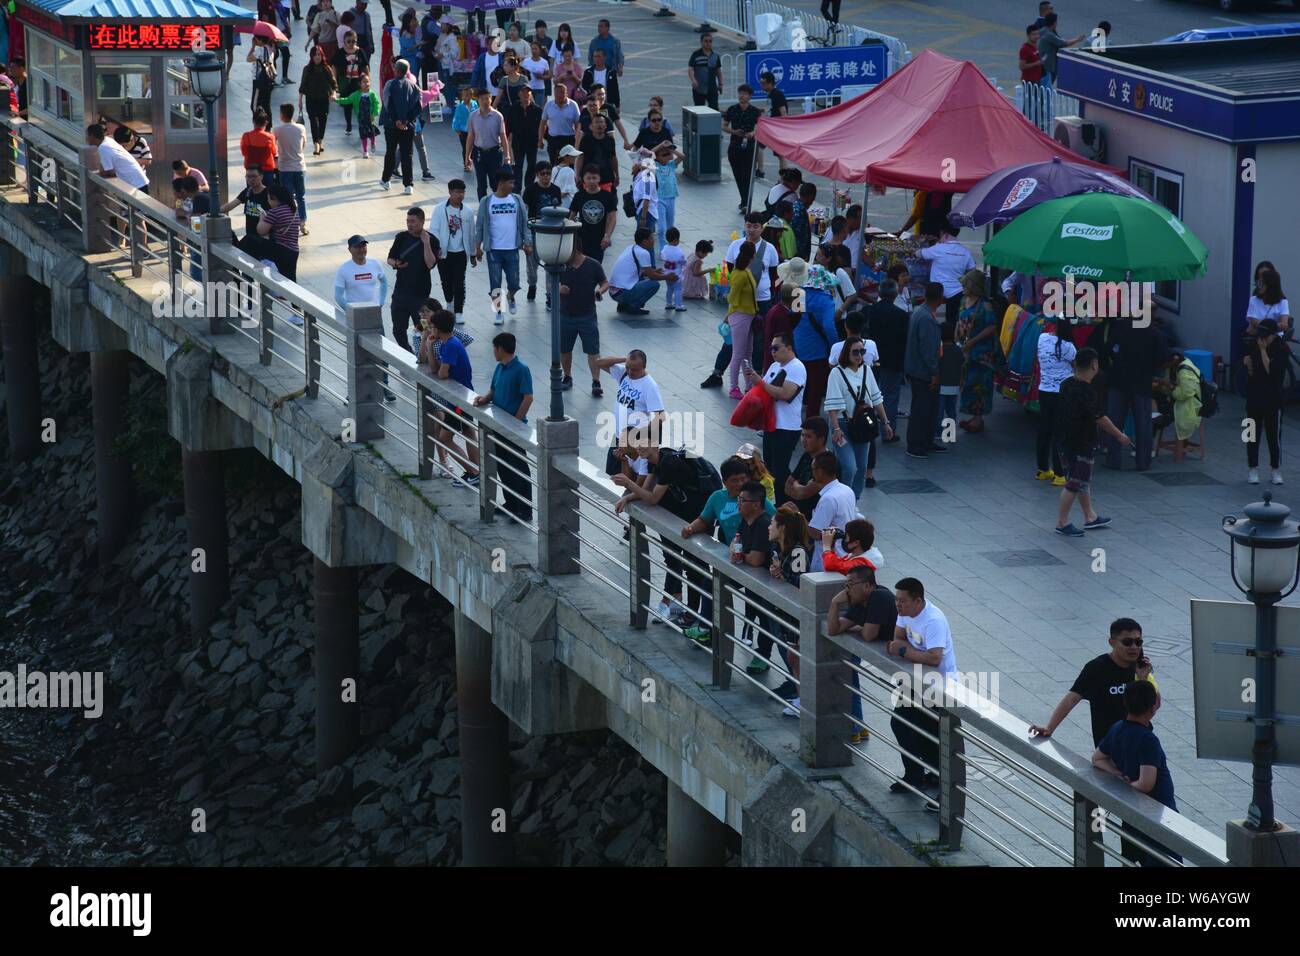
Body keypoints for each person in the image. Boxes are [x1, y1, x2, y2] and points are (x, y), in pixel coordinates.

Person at [612, 432, 721, 629]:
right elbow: (646, 491)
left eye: (644, 443)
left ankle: (698, 613)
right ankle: (685, 607)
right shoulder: (657, 460)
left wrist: (628, 485)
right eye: (638, 444)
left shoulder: (669, 463)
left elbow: (652, 498)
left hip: (698, 515)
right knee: (675, 559)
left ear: (655, 444)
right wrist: (627, 498)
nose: (639, 448)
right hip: (680, 513)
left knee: (695, 564)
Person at [681, 457, 776, 643]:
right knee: (712, 584)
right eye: (735, 480)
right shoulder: (718, 498)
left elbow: (777, 520)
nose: (740, 484)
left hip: (760, 560)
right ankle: (706, 627)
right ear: (724, 482)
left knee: (758, 606)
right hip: (737, 559)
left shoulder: (754, 498)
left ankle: (757, 648)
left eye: (743, 479)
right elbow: (704, 519)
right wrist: (690, 528)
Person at [1092, 681, 1182, 866]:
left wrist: (1116, 774)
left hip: (1131, 818)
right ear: (1152, 708)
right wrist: (1129, 785)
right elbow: (1146, 784)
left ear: (1125, 703)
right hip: (1158, 819)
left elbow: (1097, 758)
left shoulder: (1117, 729)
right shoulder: (1148, 740)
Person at [1031, 618, 1157, 745]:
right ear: (1112, 642)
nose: (1134, 647)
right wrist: (1049, 728)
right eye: (1127, 642)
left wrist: (1142, 680)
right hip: (1109, 746)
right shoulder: (1097, 668)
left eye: (1138, 642)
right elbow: (1072, 698)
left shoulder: (1139, 668)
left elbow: (1152, 706)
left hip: (1139, 739)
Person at [888, 577, 956, 801]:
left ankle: (943, 786)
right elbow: (897, 638)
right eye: (897, 600)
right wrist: (909, 651)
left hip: (939, 686)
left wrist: (904, 652)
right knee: (900, 723)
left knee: (932, 736)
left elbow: (935, 658)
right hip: (914, 681)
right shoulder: (904, 612)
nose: (897, 605)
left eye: (903, 601)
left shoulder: (933, 620)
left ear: (918, 601)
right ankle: (914, 774)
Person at [1056, 348, 1130, 536]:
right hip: (1081, 443)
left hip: (1065, 440)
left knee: (1082, 481)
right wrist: (1119, 435)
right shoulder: (1087, 391)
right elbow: (1100, 418)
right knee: (1074, 483)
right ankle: (1062, 522)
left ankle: (1090, 516)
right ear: (1094, 365)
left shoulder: (1066, 384)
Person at [828, 563, 897, 743]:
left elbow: (868, 635)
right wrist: (835, 603)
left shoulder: (879, 596)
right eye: (846, 585)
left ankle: (856, 726)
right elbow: (833, 629)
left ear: (867, 585)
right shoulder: (859, 602)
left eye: (851, 584)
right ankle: (857, 726)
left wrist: (860, 627)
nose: (848, 589)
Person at [473, 333, 534, 524]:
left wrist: (515, 422)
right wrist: (484, 398)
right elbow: (494, 389)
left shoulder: (521, 369)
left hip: (512, 429)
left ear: (501, 348)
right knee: (503, 466)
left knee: (517, 468)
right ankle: (511, 503)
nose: (493, 351)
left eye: (494, 348)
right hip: (498, 425)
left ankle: (524, 509)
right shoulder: (500, 368)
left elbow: (528, 397)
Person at [420, 307, 480, 486]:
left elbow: (442, 374)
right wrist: (430, 346)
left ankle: (473, 471)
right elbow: (434, 369)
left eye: (432, 328)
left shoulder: (451, 345)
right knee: (469, 432)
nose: (431, 331)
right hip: (461, 398)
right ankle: (476, 472)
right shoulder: (448, 344)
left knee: (444, 439)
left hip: (459, 402)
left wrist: (439, 368)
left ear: (438, 329)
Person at [825, 336, 891, 496]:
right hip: (842, 425)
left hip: (863, 425)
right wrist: (835, 429)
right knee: (849, 467)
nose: (859, 355)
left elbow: (876, 399)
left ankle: (853, 502)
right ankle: (843, 500)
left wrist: (885, 422)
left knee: (861, 467)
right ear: (847, 352)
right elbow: (832, 407)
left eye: (862, 351)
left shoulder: (867, 371)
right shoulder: (836, 373)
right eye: (855, 352)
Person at [746, 332, 806, 508]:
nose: (772, 352)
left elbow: (786, 394)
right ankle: (781, 504)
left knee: (780, 469)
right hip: (772, 425)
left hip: (787, 427)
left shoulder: (796, 367)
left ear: (788, 348)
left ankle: (793, 502)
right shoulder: (774, 366)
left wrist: (760, 382)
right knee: (771, 469)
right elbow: (765, 392)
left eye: (776, 348)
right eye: (771, 348)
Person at [1103, 317, 1166, 472]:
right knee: (1143, 423)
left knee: (1114, 422)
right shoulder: (1154, 332)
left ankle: (1113, 459)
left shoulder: (1120, 326)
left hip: (1119, 380)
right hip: (1142, 383)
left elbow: (1108, 350)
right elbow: (1162, 358)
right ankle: (1143, 462)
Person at [474, 169, 532, 322]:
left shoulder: (517, 200)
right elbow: (479, 226)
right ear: (501, 183)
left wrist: (528, 243)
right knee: (495, 282)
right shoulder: (486, 201)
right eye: (510, 182)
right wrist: (477, 247)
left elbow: (524, 224)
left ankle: (510, 297)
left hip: (512, 249)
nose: (513, 185)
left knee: (514, 282)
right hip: (494, 250)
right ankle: (498, 311)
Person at [386, 206, 439, 352]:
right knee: (398, 330)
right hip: (400, 294)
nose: (410, 224)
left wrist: (426, 243)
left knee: (425, 328)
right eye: (408, 221)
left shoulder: (432, 240)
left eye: (413, 221)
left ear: (422, 222)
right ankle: (408, 353)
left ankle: (427, 354)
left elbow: (430, 264)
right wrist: (396, 264)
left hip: (420, 297)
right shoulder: (401, 237)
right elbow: (390, 258)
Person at [557, 245, 608, 394]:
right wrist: (559, 290)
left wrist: (599, 290)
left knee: (593, 350)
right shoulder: (561, 265)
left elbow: (605, 282)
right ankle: (567, 376)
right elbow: (550, 284)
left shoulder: (593, 265)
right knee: (565, 349)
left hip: (587, 315)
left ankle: (596, 381)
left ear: (577, 250)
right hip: (566, 314)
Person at [600, 350, 665, 466]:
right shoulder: (623, 373)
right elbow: (599, 363)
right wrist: (625, 360)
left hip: (635, 442)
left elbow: (659, 417)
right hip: (620, 436)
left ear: (643, 367)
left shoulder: (650, 386)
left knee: (633, 477)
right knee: (613, 474)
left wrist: (635, 435)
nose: (630, 372)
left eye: (634, 369)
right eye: (628, 367)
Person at [1244, 318, 1288, 485]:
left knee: (1273, 436)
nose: (1262, 339)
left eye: (1266, 336)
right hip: (1254, 397)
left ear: (1273, 335)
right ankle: (1252, 468)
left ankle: (1275, 469)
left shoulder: (1281, 348)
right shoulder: (1254, 343)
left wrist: (1263, 351)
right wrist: (1247, 363)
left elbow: (1272, 371)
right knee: (1250, 434)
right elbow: (1248, 368)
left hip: (1273, 399)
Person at [905, 283, 946, 460]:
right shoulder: (927, 319)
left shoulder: (920, 313)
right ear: (940, 297)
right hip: (923, 372)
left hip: (917, 369)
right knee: (922, 409)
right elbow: (928, 350)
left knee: (928, 408)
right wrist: (935, 372)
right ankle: (915, 444)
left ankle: (926, 441)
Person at [1035, 316, 1077, 483]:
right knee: (1060, 433)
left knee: (1044, 431)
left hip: (1044, 390)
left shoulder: (1042, 338)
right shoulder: (1068, 347)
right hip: (1062, 393)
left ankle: (1042, 469)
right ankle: (1060, 474)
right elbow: (1076, 365)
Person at [955, 269, 998, 432]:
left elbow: (992, 327)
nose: (963, 287)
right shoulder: (963, 300)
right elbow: (959, 320)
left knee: (979, 385)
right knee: (967, 383)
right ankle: (973, 416)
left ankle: (978, 419)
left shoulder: (985, 305)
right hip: (966, 351)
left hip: (981, 353)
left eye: (966, 284)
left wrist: (973, 341)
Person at [866, 279, 908, 436]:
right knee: (889, 397)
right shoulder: (901, 315)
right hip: (893, 360)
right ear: (895, 294)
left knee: (868, 395)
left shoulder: (869, 311)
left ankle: (868, 426)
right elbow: (904, 341)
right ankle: (888, 431)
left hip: (871, 360)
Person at [917, 226, 975, 333]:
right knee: (953, 323)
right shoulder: (965, 252)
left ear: (945, 234)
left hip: (938, 294)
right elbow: (972, 270)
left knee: (936, 323)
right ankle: (951, 343)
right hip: (957, 293)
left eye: (941, 235)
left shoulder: (938, 248)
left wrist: (926, 242)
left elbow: (919, 253)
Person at [428, 180, 471, 325]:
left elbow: (471, 233)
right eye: (457, 192)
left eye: (462, 192)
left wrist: (472, 253)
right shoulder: (440, 209)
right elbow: (433, 230)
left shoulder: (467, 211)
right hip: (444, 253)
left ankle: (459, 311)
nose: (460, 195)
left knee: (459, 282)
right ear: (450, 192)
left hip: (460, 252)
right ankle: (449, 301)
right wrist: (438, 248)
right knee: (446, 281)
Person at [807, 452, 858, 570]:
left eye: (813, 469)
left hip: (827, 561)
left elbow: (815, 532)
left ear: (820, 472)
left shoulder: (828, 499)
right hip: (845, 555)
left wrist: (797, 516)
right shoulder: (847, 490)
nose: (812, 473)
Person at [379, 58, 422, 194]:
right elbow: (418, 107)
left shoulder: (390, 84)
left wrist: (396, 120)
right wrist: (406, 121)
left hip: (391, 125)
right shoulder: (414, 86)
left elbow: (387, 103)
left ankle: (386, 180)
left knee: (390, 151)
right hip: (408, 126)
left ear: (396, 70)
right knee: (407, 154)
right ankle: (408, 184)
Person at [1153, 351, 1203, 463]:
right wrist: (1162, 386)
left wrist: (1168, 385)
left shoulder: (1184, 371)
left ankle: (1150, 444)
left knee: (1158, 417)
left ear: (1174, 360)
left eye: (1165, 364)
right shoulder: (1176, 366)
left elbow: (1183, 394)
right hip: (1182, 402)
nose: (1164, 367)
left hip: (1189, 406)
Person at [724, 241, 760, 398]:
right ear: (753, 255)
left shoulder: (744, 271)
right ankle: (734, 387)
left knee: (747, 352)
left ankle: (748, 384)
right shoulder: (741, 273)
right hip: (741, 315)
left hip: (746, 315)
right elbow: (732, 296)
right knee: (739, 353)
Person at [522, 161, 561, 304]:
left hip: (550, 232)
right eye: (542, 174)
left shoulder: (556, 190)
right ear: (537, 175)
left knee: (550, 265)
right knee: (532, 265)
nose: (546, 177)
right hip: (534, 231)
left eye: (548, 173)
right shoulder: (530, 190)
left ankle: (550, 295)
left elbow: (558, 209)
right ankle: (532, 285)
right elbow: (524, 211)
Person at [464, 88, 512, 201]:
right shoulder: (473, 116)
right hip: (479, 153)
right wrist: (467, 156)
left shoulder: (497, 116)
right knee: (481, 184)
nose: (485, 101)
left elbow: (503, 136)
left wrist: (507, 156)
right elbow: (471, 136)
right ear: (478, 100)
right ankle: (483, 206)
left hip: (494, 153)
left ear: (491, 99)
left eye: (487, 98)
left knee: (495, 183)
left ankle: (497, 203)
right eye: (482, 99)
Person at [721, 85, 761, 212]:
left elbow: (759, 126)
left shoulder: (755, 111)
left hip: (749, 147)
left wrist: (753, 133)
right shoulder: (732, 109)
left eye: (744, 94)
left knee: (748, 175)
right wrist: (734, 131)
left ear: (750, 96)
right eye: (740, 93)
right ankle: (744, 201)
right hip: (735, 146)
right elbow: (724, 126)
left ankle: (745, 202)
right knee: (738, 175)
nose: (741, 96)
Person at [608, 229, 666, 316]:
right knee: (654, 284)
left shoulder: (631, 248)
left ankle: (623, 304)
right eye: (651, 238)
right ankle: (633, 306)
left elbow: (643, 271)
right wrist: (668, 277)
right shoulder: (643, 253)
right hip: (622, 293)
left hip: (613, 292)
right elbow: (652, 276)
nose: (653, 241)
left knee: (641, 278)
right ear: (644, 241)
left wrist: (654, 271)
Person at [272, 103, 308, 233]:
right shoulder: (301, 128)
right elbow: (303, 145)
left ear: (282, 115)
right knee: (301, 196)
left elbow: (273, 146)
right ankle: (302, 223)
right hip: (300, 166)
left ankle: (288, 221)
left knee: (287, 197)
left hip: (284, 167)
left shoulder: (277, 129)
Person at [569, 166, 617, 264]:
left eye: (594, 178)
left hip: (599, 240)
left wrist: (607, 236)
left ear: (599, 178)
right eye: (588, 178)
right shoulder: (579, 196)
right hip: (581, 239)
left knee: (596, 265)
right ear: (583, 179)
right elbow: (571, 216)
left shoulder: (607, 196)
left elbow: (612, 217)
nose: (591, 181)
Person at [785, 417, 830, 521]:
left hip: (813, 522)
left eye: (808, 436)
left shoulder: (826, 464)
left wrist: (796, 484)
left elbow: (803, 493)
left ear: (821, 439)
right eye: (802, 435)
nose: (803, 440)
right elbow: (787, 486)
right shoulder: (806, 456)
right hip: (797, 516)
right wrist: (800, 489)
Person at [221, 166, 271, 258]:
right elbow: (230, 205)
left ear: (261, 177)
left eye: (254, 176)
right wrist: (212, 212)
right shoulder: (247, 192)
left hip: (263, 239)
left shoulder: (268, 194)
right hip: (250, 238)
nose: (251, 179)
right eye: (248, 176)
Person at [254, 183, 302, 280]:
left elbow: (261, 231)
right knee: (290, 279)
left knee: (250, 240)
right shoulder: (293, 209)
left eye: (268, 198)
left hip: (281, 250)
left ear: (274, 198)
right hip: (293, 251)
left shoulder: (275, 212)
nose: (268, 201)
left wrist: (262, 218)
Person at [299, 45, 338, 155]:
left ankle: (320, 140)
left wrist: (333, 94)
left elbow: (333, 84)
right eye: (315, 55)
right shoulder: (307, 69)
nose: (317, 57)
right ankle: (316, 143)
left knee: (323, 120)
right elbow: (303, 85)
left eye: (319, 55)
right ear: (311, 56)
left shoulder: (327, 69)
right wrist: (300, 100)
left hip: (323, 98)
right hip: (310, 98)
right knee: (313, 120)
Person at [86, 123, 148, 191]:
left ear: (92, 136)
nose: (86, 138)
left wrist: (97, 173)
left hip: (135, 184)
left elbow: (109, 172)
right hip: (138, 181)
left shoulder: (103, 148)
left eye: (87, 135)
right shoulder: (107, 140)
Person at [333, 71, 380, 158]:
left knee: (371, 133)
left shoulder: (372, 94)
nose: (367, 84)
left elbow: (377, 104)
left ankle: (373, 142)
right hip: (361, 118)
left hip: (370, 118)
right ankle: (365, 151)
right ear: (360, 83)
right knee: (363, 135)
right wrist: (337, 100)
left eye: (368, 81)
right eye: (364, 82)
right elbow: (347, 100)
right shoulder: (356, 95)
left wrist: (374, 114)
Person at [332, 30, 369, 135]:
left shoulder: (360, 51)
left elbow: (366, 66)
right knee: (347, 104)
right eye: (349, 41)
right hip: (345, 82)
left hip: (358, 82)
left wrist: (367, 80)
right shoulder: (340, 52)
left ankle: (361, 124)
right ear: (344, 41)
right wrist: (334, 81)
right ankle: (348, 124)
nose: (351, 44)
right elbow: (334, 66)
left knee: (360, 104)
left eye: (354, 41)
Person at [1037, 12, 1084, 86]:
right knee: (1046, 88)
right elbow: (1063, 43)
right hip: (1048, 67)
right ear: (1054, 23)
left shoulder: (1043, 30)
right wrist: (1077, 39)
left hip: (1042, 65)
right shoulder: (1049, 35)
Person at [652, 141, 684, 251]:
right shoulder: (654, 165)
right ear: (657, 157)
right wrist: (660, 145)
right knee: (661, 228)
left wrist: (671, 150)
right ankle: (663, 249)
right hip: (659, 198)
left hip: (671, 197)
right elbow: (648, 155)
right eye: (663, 155)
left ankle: (670, 248)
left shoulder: (671, 165)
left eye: (668, 154)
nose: (667, 156)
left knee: (670, 226)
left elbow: (682, 156)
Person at [756, 71, 787, 178]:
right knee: (759, 146)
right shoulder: (771, 94)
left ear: (770, 83)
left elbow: (783, 112)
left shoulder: (777, 94)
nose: (761, 85)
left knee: (780, 154)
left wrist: (782, 129)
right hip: (770, 127)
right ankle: (760, 170)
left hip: (777, 128)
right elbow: (772, 109)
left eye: (763, 83)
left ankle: (784, 178)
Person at [541, 80, 580, 163]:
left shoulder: (573, 105)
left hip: (568, 138)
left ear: (566, 93)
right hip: (553, 139)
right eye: (557, 93)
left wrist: (578, 141)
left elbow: (578, 125)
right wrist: (540, 139)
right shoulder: (549, 105)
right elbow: (543, 123)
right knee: (554, 164)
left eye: (562, 93)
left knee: (569, 164)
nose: (559, 95)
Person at [577, 113, 618, 190]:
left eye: (602, 122)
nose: (599, 125)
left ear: (606, 126)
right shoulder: (585, 140)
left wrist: (617, 174)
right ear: (591, 127)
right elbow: (580, 158)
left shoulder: (610, 140)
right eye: (596, 122)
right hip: (589, 177)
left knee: (607, 200)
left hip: (606, 177)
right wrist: (577, 175)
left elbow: (613, 158)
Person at [1247, 266, 1291, 335]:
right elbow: (1253, 321)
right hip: (1257, 337)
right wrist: (1275, 326)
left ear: (1270, 285)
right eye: (1258, 283)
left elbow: (1284, 325)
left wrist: (1264, 326)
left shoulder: (1283, 302)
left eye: (1261, 283)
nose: (1258, 286)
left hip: (1276, 338)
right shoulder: (1253, 300)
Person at [687, 33, 722, 110]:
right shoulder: (695, 54)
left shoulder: (715, 56)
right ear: (701, 42)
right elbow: (691, 69)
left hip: (712, 88)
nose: (708, 43)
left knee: (714, 109)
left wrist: (720, 84)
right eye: (705, 41)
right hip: (699, 88)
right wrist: (693, 80)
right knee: (699, 110)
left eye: (710, 41)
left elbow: (718, 71)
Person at [581, 48, 620, 112]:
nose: (596, 59)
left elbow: (615, 89)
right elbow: (584, 86)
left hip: (607, 104)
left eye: (599, 56)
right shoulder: (588, 71)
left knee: (605, 121)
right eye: (595, 56)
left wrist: (617, 105)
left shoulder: (611, 72)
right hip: (592, 105)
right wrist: (591, 92)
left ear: (604, 58)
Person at [249, 33, 278, 119]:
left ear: (261, 40)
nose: (255, 40)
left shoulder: (260, 50)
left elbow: (248, 58)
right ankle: (268, 125)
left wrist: (253, 47)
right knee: (266, 104)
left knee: (254, 105)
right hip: (269, 79)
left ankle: (259, 123)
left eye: (256, 39)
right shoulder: (270, 49)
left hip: (259, 80)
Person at [631, 153, 659, 239]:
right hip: (642, 210)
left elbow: (647, 198)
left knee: (645, 240)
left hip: (647, 212)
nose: (634, 164)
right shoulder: (641, 174)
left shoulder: (648, 176)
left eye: (637, 162)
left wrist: (643, 218)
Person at [661, 226, 686, 314]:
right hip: (676, 274)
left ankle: (668, 303)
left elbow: (662, 257)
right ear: (676, 239)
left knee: (669, 289)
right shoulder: (679, 251)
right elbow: (683, 260)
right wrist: (683, 264)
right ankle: (678, 305)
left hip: (667, 273)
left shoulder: (664, 248)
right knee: (678, 289)